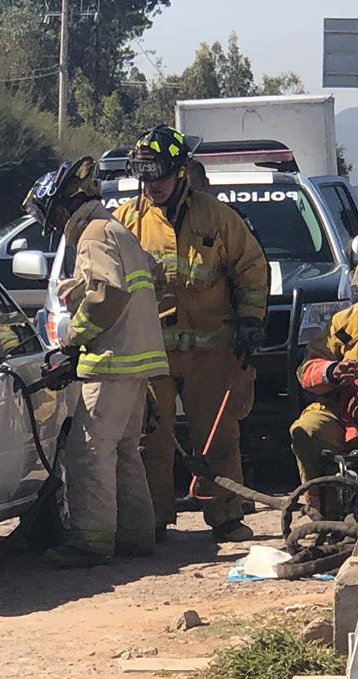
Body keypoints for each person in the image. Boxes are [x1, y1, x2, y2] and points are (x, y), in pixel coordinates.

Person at [114, 125, 269, 543]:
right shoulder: (126, 222)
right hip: (152, 354)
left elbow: (252, 268)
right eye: (144, 175)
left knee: (219, 437)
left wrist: (251, 319)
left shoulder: (217, 218)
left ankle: (227, 515)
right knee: (151, 439)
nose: (153, 185)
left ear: (181, 172)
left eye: (160, 175)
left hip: (212, 351)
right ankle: (152, 520)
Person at [23, 157, 166, 567]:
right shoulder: (116, 228)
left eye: (53, 215)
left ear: (66, 207)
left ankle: (90, 540)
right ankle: (135, 534)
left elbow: (108, 295)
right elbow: (155, 278)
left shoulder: (93, 234)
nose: (55, 224)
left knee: (89, 450)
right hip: (135, 362)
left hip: (112, 363)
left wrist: (74, 337)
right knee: (124, 450)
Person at [291, 243, 358, 489]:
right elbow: (308, 369)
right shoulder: (346, 324)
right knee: (308, 430)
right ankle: (320, 504)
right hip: (352, 417)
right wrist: (332, 372)